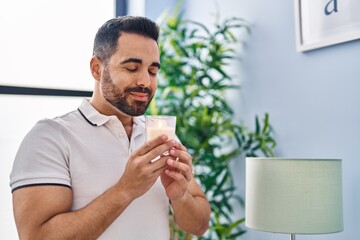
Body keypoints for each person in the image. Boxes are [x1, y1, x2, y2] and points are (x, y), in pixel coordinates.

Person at [10, 16, 211, 240]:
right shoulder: (51, 138)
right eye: (132, 67)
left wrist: (181, 195)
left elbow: (200, 225)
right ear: (97, 69)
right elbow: (37, 237)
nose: (145, 81)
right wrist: (125, 190)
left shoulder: (159, 135)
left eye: (153, 71)